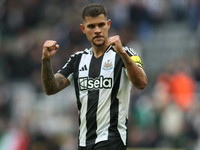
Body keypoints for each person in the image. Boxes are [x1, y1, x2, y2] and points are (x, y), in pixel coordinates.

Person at [41, 3, 147, 150]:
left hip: (112, 139)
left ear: (108, 25)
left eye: (101, 25)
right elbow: (51, 88)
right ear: (83, 29)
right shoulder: (77, 59)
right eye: (91, 26)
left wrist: (122, 53)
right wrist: (46, 60)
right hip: (84, 142)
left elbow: (142, 83)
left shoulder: (126, 53)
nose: (97, 30)